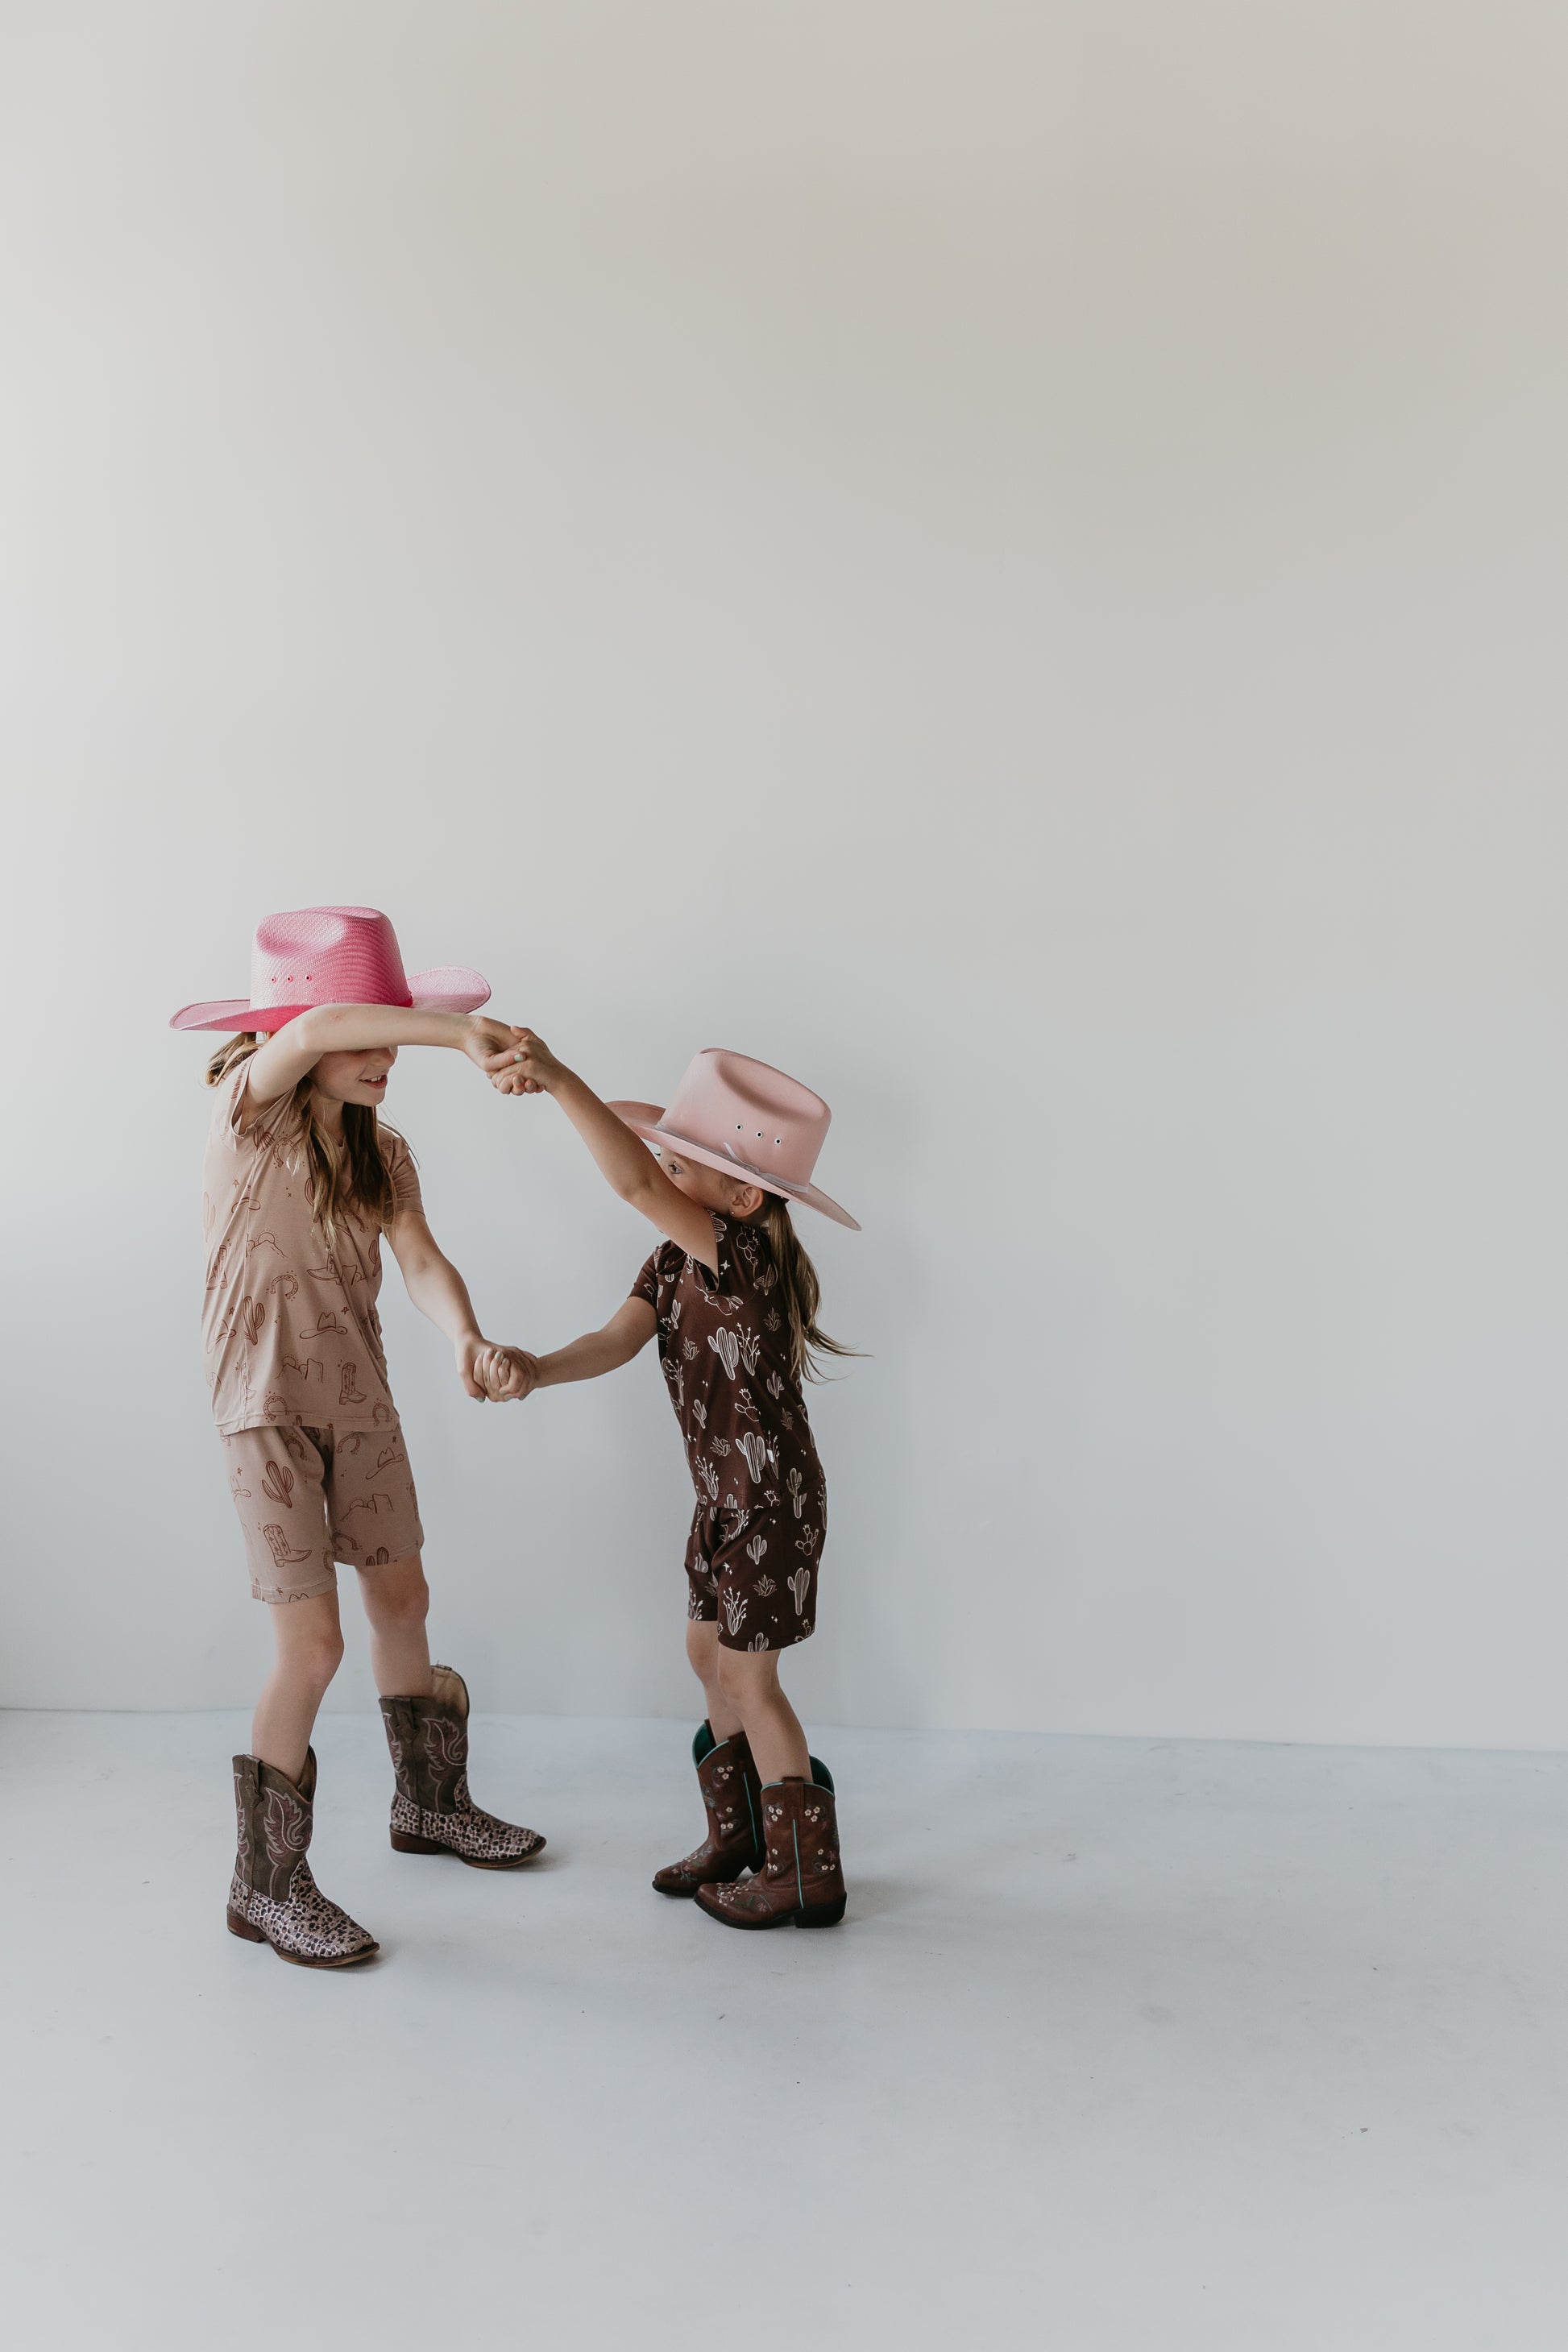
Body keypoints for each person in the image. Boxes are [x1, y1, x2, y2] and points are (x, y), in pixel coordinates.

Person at [171, 905, 541, 1971]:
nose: (385, 1055)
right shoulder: (251, 1113)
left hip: (360, 1402)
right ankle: (264, 1881)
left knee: (402, 1600)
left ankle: (430, 1804)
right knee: (315, 1645)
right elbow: (325, 1020)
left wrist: (467, 1334)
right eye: (369, 1038)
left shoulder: (384, 1154)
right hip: (265, 1407)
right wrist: (461, 1035)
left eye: (400, 1034)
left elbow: (421, 1261)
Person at [479, 1034, 858, 1929]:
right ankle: (742, 1840)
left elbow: (633, 1187)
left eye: (682, 1162)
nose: (661, 1169)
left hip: (769, 1499)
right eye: (668, 1154)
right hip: (719, 1498)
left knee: (750, 1680)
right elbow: (615, 1340)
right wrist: (536, 1367)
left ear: (742, 1194)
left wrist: (560, 1076)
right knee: (705, 1659)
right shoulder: (671, 1262)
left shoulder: (744, 1254)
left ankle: (806, 1874)